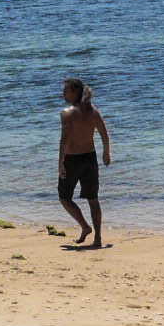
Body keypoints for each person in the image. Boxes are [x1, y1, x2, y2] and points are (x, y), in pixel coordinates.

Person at [58, 77, 111, 248]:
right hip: (90, 158)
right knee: (93, 199)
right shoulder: (94, 111)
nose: (63, 93)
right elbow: (104, 133)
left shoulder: (67, 113)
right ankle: (98, 239)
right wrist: (106, 153)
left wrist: (61, 163)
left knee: (64, 198)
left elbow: (64, 141)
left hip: (73, 160)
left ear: (75, 92)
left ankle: (85, 226)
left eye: (66, 90)